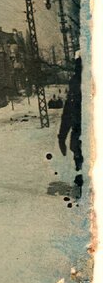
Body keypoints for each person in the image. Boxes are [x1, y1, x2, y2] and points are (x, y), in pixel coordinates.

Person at [57, 55, 83, 188]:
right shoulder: (75, 83)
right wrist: (61, 137)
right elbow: (68, 111)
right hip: (80, 131)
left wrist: (62, 137)